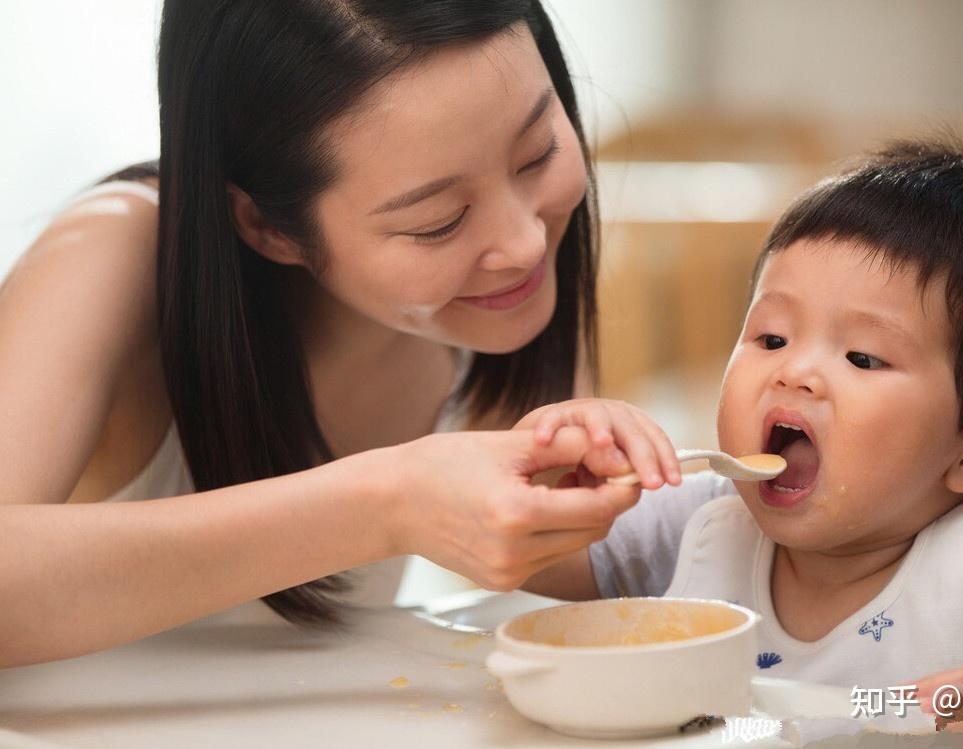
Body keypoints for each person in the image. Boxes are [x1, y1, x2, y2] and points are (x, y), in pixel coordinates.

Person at [0, 1, 662, 669]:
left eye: (537, 152)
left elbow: (569, 565)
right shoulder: (113, 251)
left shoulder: (494, 293)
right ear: (267, 226)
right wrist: (387, 504)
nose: (523, 242)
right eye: (438, 221)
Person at [517, 139, 963, 732]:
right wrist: (549, 476)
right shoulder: (700, 525)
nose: (795, 372)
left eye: (862, 357)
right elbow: (531, 562)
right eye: (772, 338)